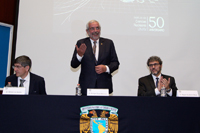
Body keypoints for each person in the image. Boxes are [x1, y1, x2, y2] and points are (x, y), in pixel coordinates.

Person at [71, 20, 120, 95]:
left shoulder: (108, 43)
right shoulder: (81, 43)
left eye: (97, 28)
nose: (95, 31)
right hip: (86, 87)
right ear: (87, 31)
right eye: (92, 28)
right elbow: (73, 65)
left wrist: (106, 68)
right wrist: (79, 55)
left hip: (104, 86)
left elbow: (115, 63)